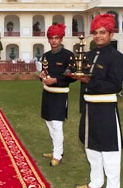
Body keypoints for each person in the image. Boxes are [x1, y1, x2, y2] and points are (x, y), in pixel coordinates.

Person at [75, 14, 123, 188]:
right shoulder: (88, 55)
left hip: (105, 109)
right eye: (95, 32)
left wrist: (90, 81)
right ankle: (95, 183)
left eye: (102, 32)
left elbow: (115, 85)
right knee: (91, 149)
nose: (98, 36)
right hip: (88, 108)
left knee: (110, 152)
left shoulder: (117, 57)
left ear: (111, 34)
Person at [39, 23, 76, 167]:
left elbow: (72, 76)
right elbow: (44, 73)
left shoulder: (68, 55)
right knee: (49, 123)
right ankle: (56, 149)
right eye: (51, 38)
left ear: (61, 39)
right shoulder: (46, 56)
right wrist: (42, 76)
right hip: (47, 92)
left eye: (56, 38)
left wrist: (56, 80)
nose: (54, 41)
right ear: (48, 39)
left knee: (57, 124)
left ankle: (58, 155)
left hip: (60, 94)